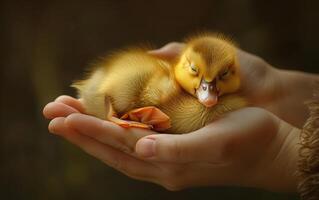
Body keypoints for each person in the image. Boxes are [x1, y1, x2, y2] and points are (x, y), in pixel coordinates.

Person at [43, 43, 319, 198]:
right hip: (109, 96)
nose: (208, 93)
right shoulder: (166, 85)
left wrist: (280, 153)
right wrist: (280, 90)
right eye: (198, 75)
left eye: (220, 77)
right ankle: (117, 111)